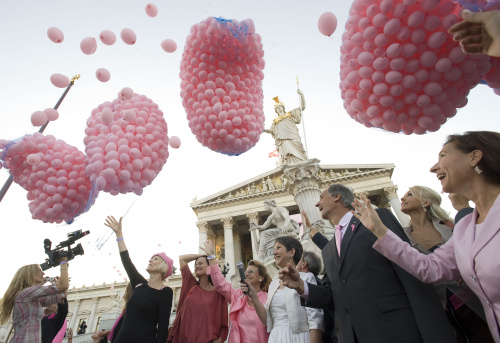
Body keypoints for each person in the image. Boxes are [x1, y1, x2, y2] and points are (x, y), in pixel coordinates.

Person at [350, 131, 500, 342]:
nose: (433, 167)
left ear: (474, 157)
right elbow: (430, 269)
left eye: (443, 156)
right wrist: (379, 230)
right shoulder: (466, 226)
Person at [280, 184, 457, 343]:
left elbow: (410, 274)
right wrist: (301, 287)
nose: (317, 204)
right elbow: (334, 296)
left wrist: (435, 333)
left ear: (337, 197)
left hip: (396, 330)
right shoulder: (329, 249)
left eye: (321, 198)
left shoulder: (376, 218)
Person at [105, 216, 173, 343]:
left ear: (163, 266)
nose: (150, 260)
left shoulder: (165, 292)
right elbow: (126, 261)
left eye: (155, 259)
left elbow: (163, 328)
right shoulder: (140, 284)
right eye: (151, 258)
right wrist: (119, 234)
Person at [245, 236, 324, 343]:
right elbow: (266, 320)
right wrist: (253, 295)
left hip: (298, 338)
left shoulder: (306, 278)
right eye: (274, 249)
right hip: (276, 337)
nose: (274, 252)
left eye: (278, 248)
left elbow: (316, 319)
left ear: (291, 252)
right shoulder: (273, 283)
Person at [202, 240, 271, 343]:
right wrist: (211, 257)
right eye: (245, 272)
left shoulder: (268, 298)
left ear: (261, 278)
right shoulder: (237, 295)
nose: (246, 274)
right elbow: (220, 283)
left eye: (251, 272)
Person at [0, 259, 69, 343]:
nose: (43, 273)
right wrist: (63, 263)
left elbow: (62, 296)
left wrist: (61, 277)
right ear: (30, 275)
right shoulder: (26, 293)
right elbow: (63, 286)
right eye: (40, 271)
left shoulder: (33, 298)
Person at [168, 249, 229, 343]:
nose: (197, 266)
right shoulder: (190, 285)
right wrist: (202, 255)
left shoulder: (219, 294)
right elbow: (182, 259)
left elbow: (224, 326)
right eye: (195, 265)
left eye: (200, 263)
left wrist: (220, 340)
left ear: (209, 267)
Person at [264, 90, 307, 165]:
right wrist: (263, 130)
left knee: (299, 148)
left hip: (293, 135)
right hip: (283, 139)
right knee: (288, 154)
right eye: (277, 108)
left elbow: (302, 107)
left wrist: (301, 94)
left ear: (283, 108)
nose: (279, 108)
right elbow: (272, 130)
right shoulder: (275, 121)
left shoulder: (290, 114)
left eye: (280, 107)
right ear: (276, 111)